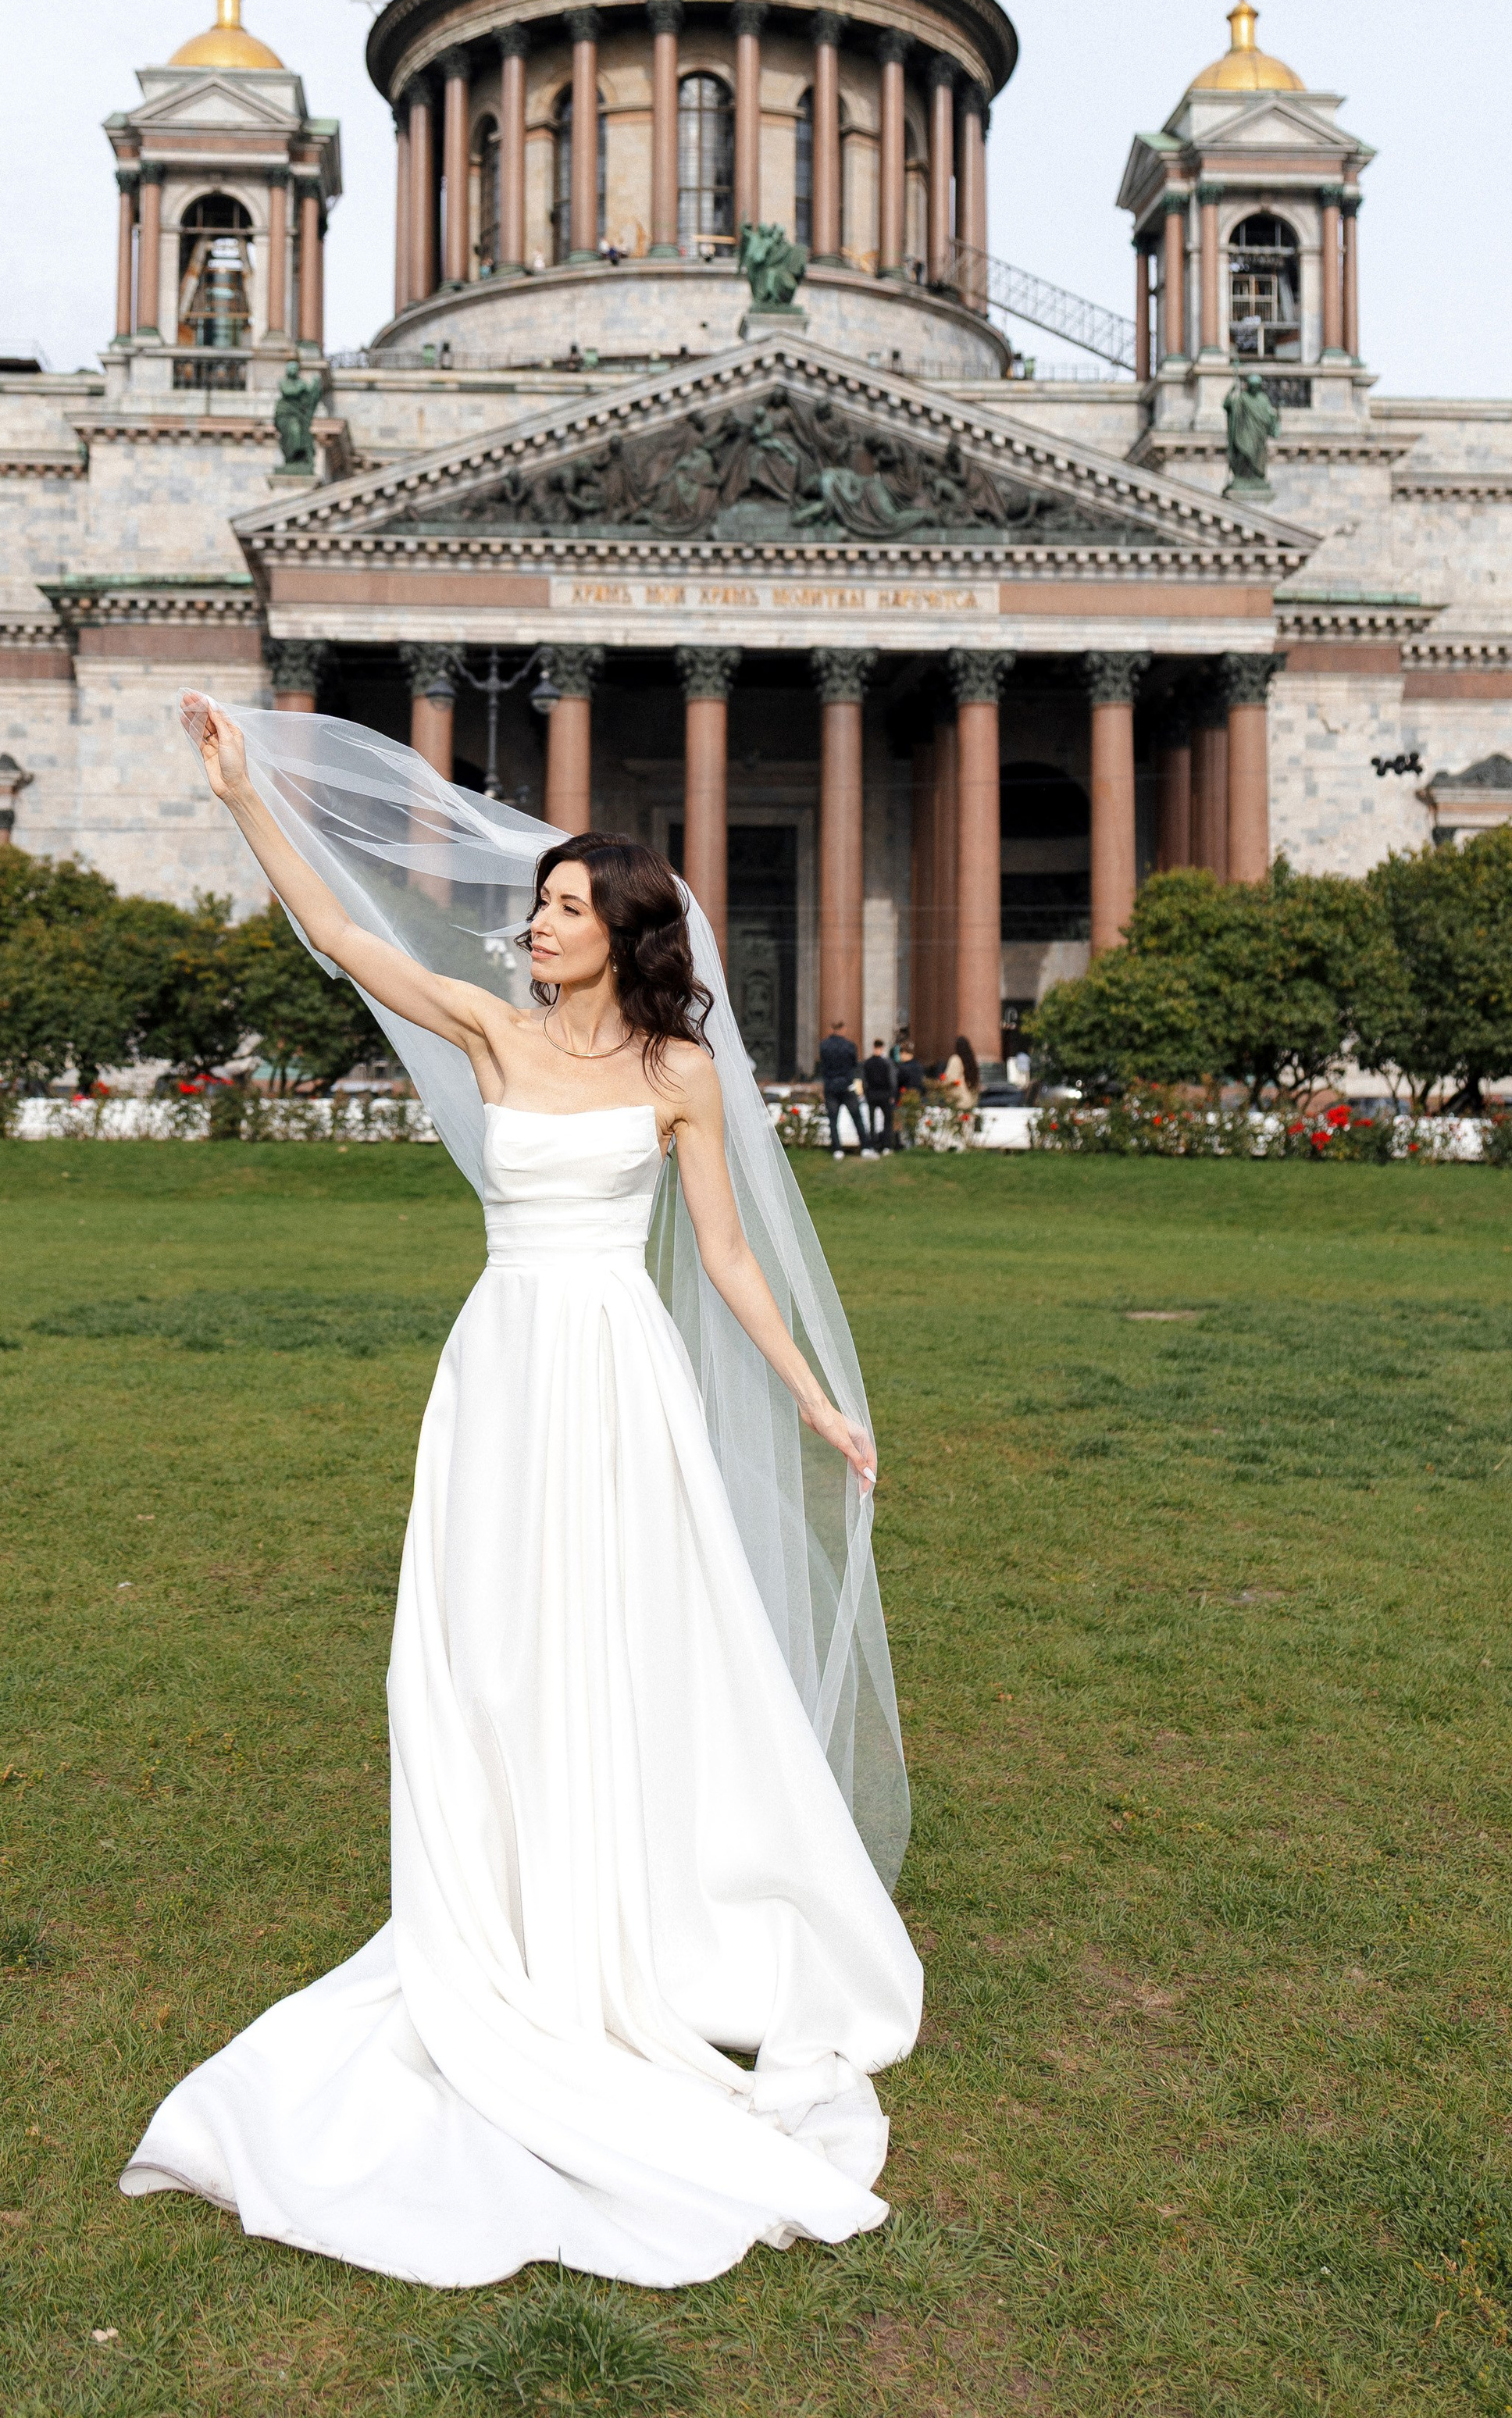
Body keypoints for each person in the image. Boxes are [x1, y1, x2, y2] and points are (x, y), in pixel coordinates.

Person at [122, 696, 921, 2288]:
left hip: (615, 1377)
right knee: (477, 1656)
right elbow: (350, 936)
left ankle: (623, 1917)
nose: (534, 922)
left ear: (616, 935)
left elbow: (728, 1262)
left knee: (618, 1647)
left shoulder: (682, 1072)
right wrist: (240, 803)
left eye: (561, 906)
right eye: (537, 902)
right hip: (500, 1373)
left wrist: (823, 1405)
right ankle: (494, 1916)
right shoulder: (487, 1032)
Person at [817, 1017, 868, 1158]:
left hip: (831, 1086)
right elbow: (854, 1065)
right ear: (843, 1029)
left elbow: (823, 1066)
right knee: (857, 1117)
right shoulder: (850, 1046)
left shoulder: (824, 1046)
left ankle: (837, 1149)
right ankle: (865, 1146)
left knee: (833, 1120)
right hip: (847, 1086)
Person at [861, 1040, 897, 1154]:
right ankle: (887, 1146)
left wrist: (866, 1093)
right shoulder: (887, 1063)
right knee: (887, 1121)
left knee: (872, 1122)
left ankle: (872, 1145)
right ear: (882, 1048)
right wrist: (892, 1094)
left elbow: (864, 1081)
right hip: (885, 1095)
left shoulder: (867, 1063)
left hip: (872, 1095)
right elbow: (892, 1080)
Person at [939, 1032, 980, 1116]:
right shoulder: (971, 1061)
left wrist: (941, 1086)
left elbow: (950, 1079)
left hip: (958, 1101)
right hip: (969, 1101)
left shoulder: (956, 1059)